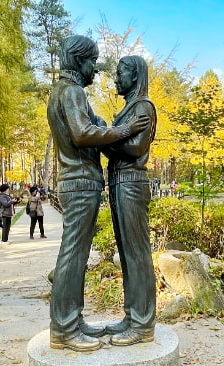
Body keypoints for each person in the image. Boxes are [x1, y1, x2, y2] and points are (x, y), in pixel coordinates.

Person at [46, 35, 149, 352]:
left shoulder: (64, 92)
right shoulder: (72, 91)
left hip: (82, 181)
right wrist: (124, 130)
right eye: (92, 61)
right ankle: (64, 327)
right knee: (74, 254)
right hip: (79, 181)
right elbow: (82, 133)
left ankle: (71, 321)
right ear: (79, 60)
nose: (96, 69)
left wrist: (102, 125)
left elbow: (88, 128)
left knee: (75, 253)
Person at [102, 55, 157, 346]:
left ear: (134, 76)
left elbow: (135, 149)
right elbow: (122, 144)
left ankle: (144, 323)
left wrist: (101, 138)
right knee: (126, 253)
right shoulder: (128, 110)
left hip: (132, 183)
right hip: (118, 181)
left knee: (137, 252)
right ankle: (131, 315)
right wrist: (112, 137)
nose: (115, 78)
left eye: (120, 73)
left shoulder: (143, 107)